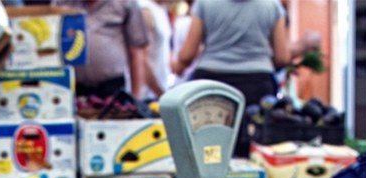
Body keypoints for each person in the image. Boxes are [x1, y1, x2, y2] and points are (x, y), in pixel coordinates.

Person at [171, 0, 289, 156]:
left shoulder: (205, 4)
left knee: (209, 149)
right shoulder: (272, 6)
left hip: (212, 83)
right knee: (253, 149)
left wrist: (175, 62)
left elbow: (187, 55)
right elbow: (282, 57)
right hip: (258, 84)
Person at [57, 0, 149, 100]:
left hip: (111, 88)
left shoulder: (125, 3)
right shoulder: (62, 3)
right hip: (71, 88)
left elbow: (137, 51)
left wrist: (136, 97)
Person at [138, 0, 173, 99]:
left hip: (159, 92)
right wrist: (160, 93)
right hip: (147, 96)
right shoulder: (145, 9)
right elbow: (142, 60)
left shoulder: (161, 9)